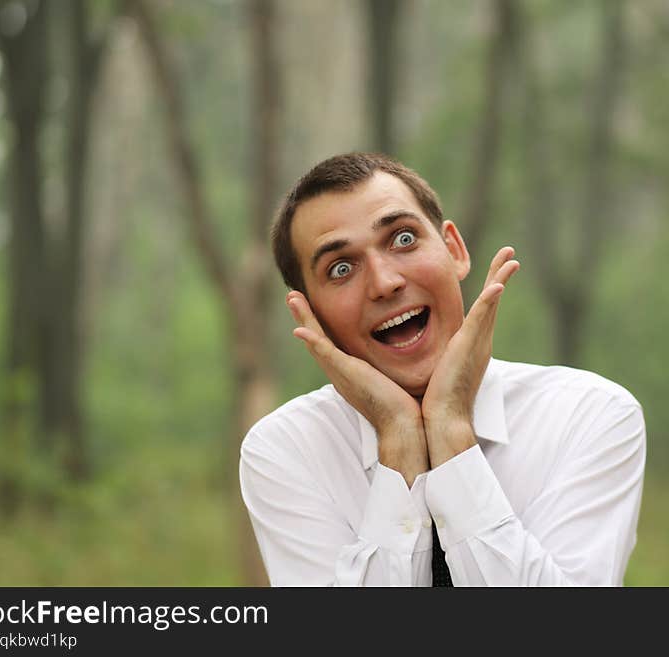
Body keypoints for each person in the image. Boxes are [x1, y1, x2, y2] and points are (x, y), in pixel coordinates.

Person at [239, 152, 646, 586]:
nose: (384, 282)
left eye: (402, 240)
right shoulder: (287, 450)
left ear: (454, 250)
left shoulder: (588, 415)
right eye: (341, 268)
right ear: (311, 316)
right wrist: (398, 439)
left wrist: (451, 433)